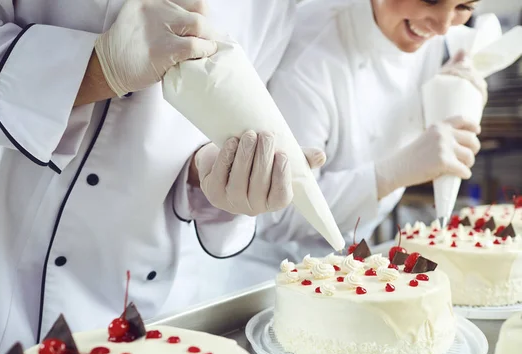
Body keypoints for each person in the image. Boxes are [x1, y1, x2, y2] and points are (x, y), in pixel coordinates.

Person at [0, 0, 325, 354]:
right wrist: (95, 68)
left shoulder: (275, 8)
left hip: (130, 318)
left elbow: (201, 133)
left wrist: (210, 175)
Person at [167, 0, 488, 310]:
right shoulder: (313, 55)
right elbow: (278, 212)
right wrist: (396, 171)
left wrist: (454, 92)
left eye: (464, 7)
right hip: (263, 279)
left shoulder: (434, 38)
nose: (444, 26)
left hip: (351, 275)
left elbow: (463, 46)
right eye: (430, 0)